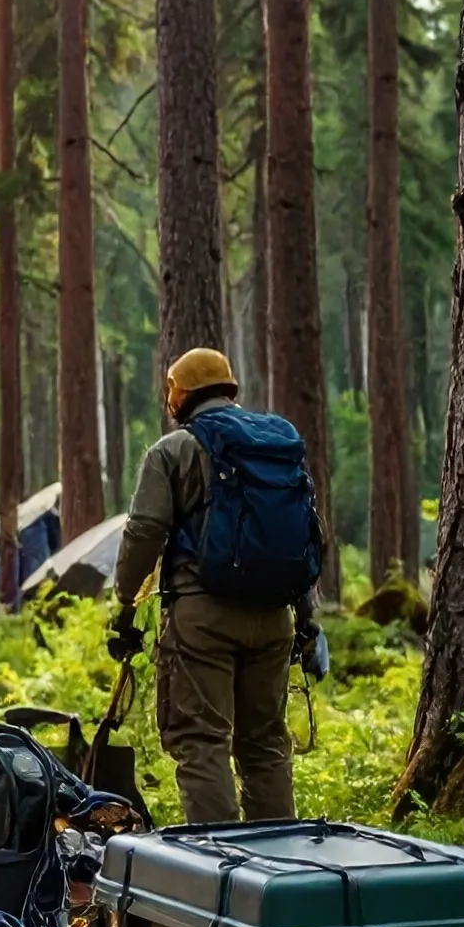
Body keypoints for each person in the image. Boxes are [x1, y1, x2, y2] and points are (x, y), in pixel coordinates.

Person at [108, 348, 323, 823]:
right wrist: (307, 618)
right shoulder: (276, 445)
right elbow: (303, 534)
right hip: (275, 617)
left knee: (202, 743)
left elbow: (145, 532)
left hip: (201, 619)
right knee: (265, 744)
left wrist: (124, 605)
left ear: (178, 396)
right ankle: (282, 873)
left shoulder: (174, 450)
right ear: (230, 389)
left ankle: (223, 874)